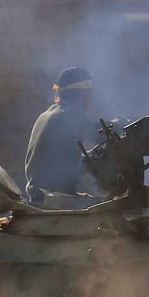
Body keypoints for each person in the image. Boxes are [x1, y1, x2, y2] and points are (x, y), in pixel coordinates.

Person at [24, 67, 107, 205]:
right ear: (81, 93)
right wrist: (120, 125)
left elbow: (59, 163)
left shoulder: (48, 114)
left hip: (40, 195)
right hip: (54, 198)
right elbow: (100, 135)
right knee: (113, 212)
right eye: (89, 92)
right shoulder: (71, 113)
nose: (91, 97)